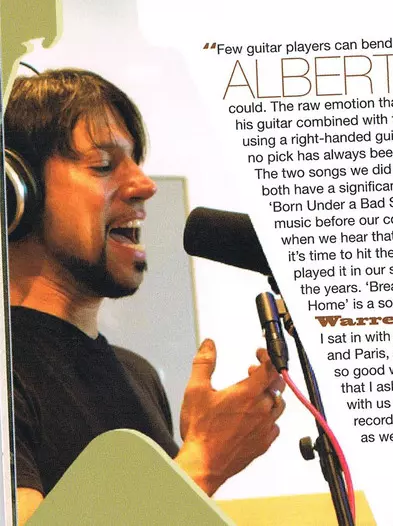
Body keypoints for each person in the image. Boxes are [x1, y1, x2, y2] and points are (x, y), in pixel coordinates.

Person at [4, 68, 286, 524]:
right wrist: (201, 463)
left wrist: (191, 461)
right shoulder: (5, 372)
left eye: (136, 162)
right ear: (15, 193)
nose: (145, 186)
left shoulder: (138, 376)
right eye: (103, 165)